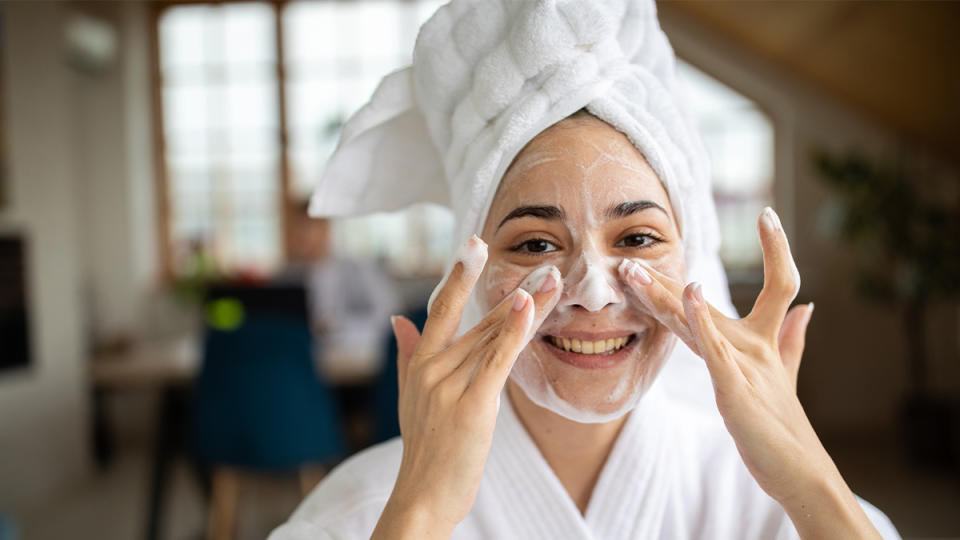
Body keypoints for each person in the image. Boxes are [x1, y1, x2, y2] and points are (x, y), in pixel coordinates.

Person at [270, 0, 899, 538]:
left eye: (637, 236)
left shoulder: (771, 510)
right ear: (466, 274)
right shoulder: (358, 517)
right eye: (536, 246)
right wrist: (422, 514)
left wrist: (813, 486)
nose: (593, 295)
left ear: (692, 257)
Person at [284, 204, 399, 380]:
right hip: (303, 367)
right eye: (297, 229)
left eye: (308, 228)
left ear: (326, 228)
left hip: (354, 367)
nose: (302, 236)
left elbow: (390, 317)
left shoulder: (360, 270)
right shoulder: (286, 278)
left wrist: (335, 327)